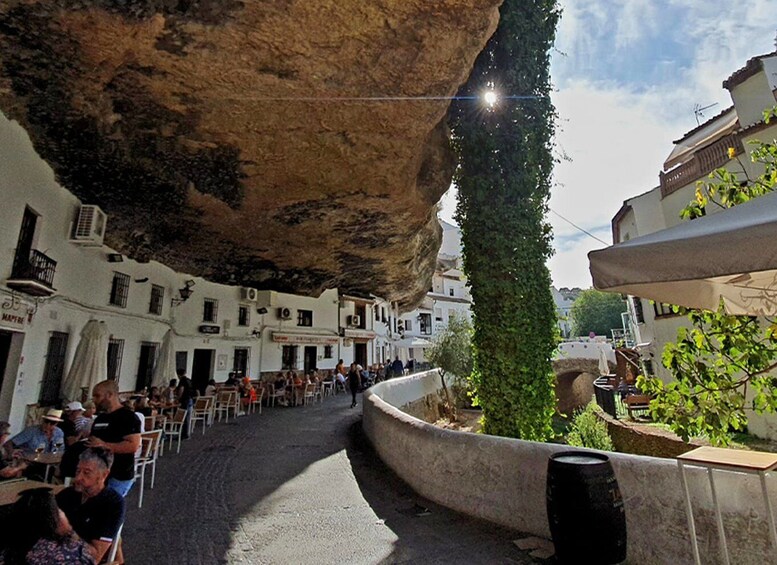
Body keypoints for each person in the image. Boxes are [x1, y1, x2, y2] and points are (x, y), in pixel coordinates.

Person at [56, 447, 125, 564]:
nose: (78, 478)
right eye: (78, 471)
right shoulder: (67, 495)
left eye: (86, 473)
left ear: (104, 475)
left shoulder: (112, 504)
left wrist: (68, 531)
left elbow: (95, 556)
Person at [2, 487, 94, 565]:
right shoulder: (69, 553)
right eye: (58, 510)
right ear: (54, 517)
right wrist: (69, 529)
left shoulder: (11, 545)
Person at [87, 380, 141, 498]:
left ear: (110, 395)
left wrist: (104, 445)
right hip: (98, 474)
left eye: (97, 396)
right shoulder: (100, 418)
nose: (94, 400)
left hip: (118, 475)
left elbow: (133, 445)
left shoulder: (128, 417)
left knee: (108, 510)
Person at [176, 370, 194, 439]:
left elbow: (181, 389)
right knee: (188, 417)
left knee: (184, 417)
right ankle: (187, 433)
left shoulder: (182, 380)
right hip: (190, 400)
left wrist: (178, 398)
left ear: (179, 375)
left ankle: (184, 434)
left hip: (185, 400)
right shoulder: (189, 380)